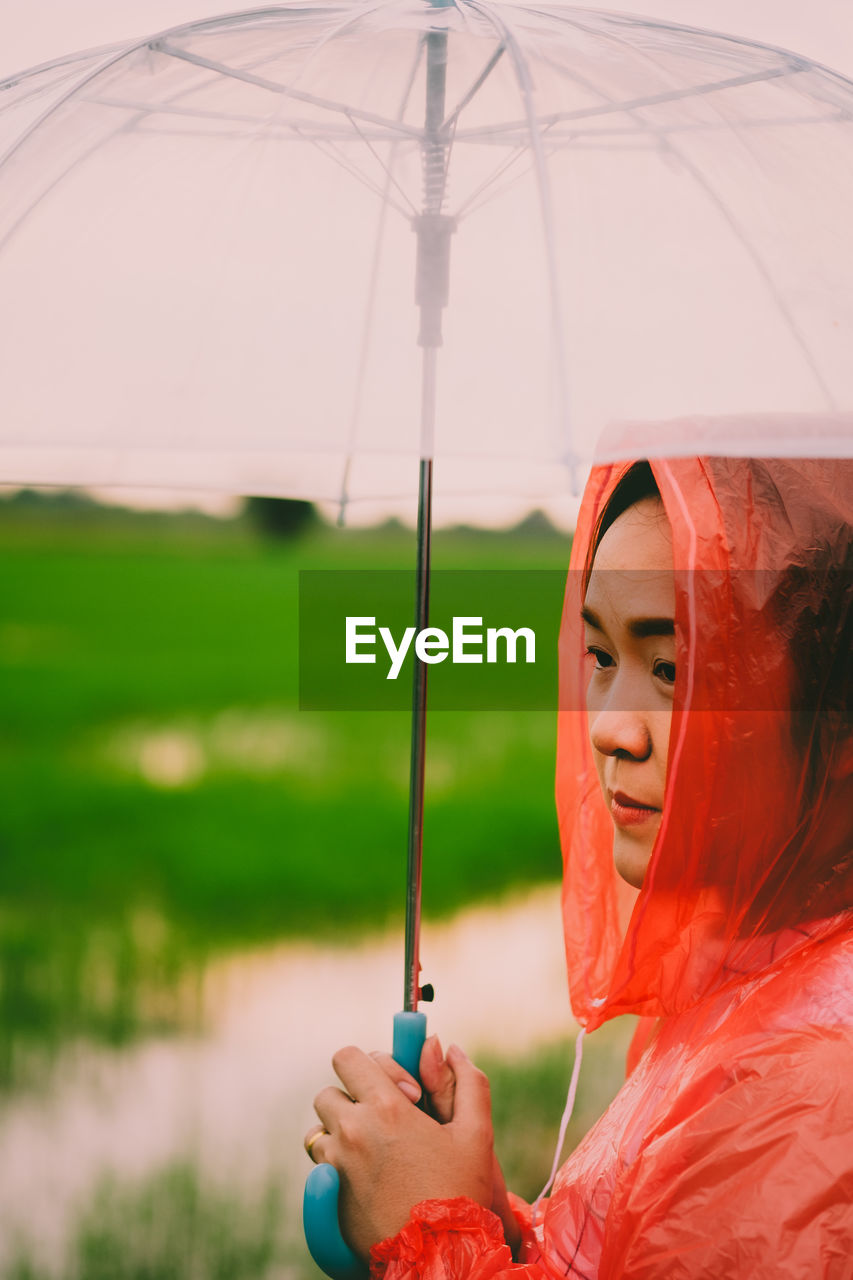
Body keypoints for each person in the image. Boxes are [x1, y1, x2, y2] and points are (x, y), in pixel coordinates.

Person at [305, 450, 853, 1278]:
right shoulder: (748, 979)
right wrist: (483, 1214)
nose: (609, 729)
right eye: (599, 657)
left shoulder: (810, 1094)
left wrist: (434, 1239)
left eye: (672, 669)